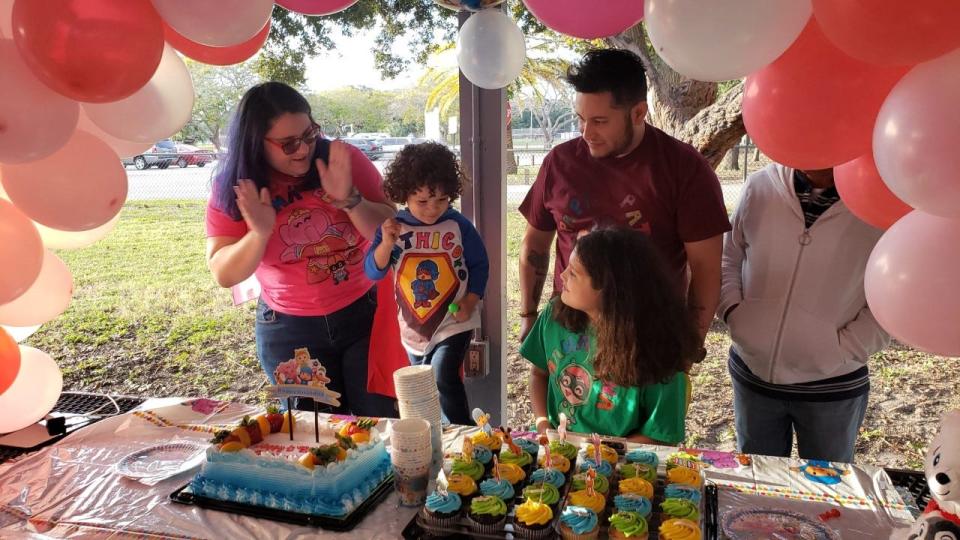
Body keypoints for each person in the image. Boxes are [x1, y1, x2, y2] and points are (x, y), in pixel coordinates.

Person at [518, 49, 730, 356]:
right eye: (581, 119)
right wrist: (528, 315)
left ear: (638, 113)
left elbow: (706, 268)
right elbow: (535, 245)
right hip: (568, 336)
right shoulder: (559, 162)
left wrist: (691, 341)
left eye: (600, 121)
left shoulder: (684, 169)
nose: (586, 133)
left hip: (648, 340)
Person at [205, 82, 397, 417]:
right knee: (315, 437)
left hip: (363, 314)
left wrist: (350, 200)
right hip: (289, 328)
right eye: (288, 143)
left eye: (309, 135)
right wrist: (259, 233)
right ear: (255, 142)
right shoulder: (238, 184)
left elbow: (391, 229)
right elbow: (224, 272)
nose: (303, 150)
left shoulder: (341, 160)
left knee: (377, 428)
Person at [719, 164, 890, 462]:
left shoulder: (879, 204)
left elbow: (894, 292)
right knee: (760, 487)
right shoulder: (760, 185)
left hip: (833, 386)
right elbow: (729, 255)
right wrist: (734, 312)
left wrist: (844, 349)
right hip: (753, 379)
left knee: (829, 494)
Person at [522, 227, 701, 443]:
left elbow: (660, 435)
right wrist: (543, 425)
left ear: (609, 288)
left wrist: (600, 453)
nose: (562, 275)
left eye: (573, 272)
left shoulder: (660, 349)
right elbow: (538, 375)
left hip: (625, 465)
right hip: (559, 453)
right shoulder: (554, 317)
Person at [364, 142, 489, 426]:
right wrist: (385, 243)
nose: (433, 209)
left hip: (454, 319)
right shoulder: (394, 228)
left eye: (442, 200)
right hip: (413, 324)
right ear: (403, 194)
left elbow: (480, 265)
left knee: (443, 374)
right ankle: (430, 434)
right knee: (420, 386)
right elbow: (373, 271)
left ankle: (462, 433)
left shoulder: (458, 226)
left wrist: (471, 300)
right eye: (422, 202)